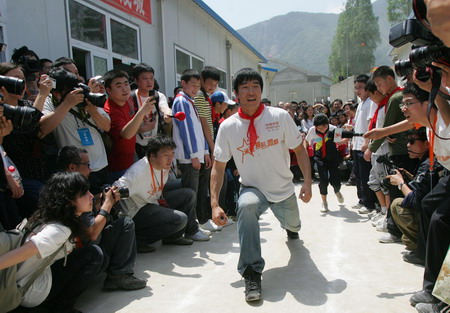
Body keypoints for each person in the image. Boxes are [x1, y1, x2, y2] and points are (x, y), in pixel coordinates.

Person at [210, 68, 312, 302]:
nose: (251, 91)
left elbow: (299, 149)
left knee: (294, 225)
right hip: (253, 188)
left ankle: (291, 228)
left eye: (255, 86)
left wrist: (307, 182)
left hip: (284, 190)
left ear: (261, 90)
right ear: (236, 94)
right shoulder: (228, 126)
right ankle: (251, 273)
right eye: (245, 87)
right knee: (245, 206)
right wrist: (214, 204)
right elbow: (218, 166)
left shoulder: (279, 117)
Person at [364, 76, 450, 310]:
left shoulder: (444, 119)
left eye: (409, 102)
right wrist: (382, 132)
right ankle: (431, 284)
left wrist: (436, 82)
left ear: (429, 102)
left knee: (441, 219)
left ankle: (443, 298)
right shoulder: (428, 123)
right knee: (429, 205)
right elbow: (409, 123)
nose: (403, 107)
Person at [0, 172, 103, 313]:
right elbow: (25, 252)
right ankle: (61, 307)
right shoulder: (59, 230)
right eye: (84, 193)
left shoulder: (47, 215)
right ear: (70, 201)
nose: (91, 195)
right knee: (93, 254)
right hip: (28, 292)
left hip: (18, 279)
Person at [56, 145, 147, 290]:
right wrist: (107, 204)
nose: (90, 170)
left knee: (123, 222)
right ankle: (118, 275)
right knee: (125, 224)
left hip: (78, 250)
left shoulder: (62, 184)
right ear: (73, 167)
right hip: (77, 254)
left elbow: (87, 216)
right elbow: (91, 234)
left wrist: (103, 199)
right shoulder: (71, 190)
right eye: (87, 165)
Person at [114, 136, 209, 252]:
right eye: (165, 155)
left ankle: (174, 237)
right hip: (137, 210)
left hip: (153, 201)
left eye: (172, 154)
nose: (170, 159)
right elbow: (115, 188)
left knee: (189, 194)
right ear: (152, 155)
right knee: (180, 218)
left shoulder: (163, 165)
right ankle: (137, 241)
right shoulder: (138, 172)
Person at [40, 68, 112, 196]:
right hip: (77, 170)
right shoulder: (51, 102)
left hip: (101, 165)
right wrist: (67, 104)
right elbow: (43, 128)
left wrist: (92, 110)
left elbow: (106, 126)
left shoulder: (84, 95)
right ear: (57, 93)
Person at [172, 69, 213, 232]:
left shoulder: (190, 101)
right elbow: (187, 131)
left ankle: (198, 223)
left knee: (199, 192)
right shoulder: (181, 101)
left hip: (197, 156)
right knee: (191, 195)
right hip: (189, 158)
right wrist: (194, 156)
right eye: (192, 86)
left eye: (198, 86)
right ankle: (190, 229)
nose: (195, 89)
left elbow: (198, 131)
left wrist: (205, 152)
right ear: (183, 84)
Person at [102, 69, 156, 180]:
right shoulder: (110, 110)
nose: (125, 89)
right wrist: (142, 112)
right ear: (108, 90)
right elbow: (125, 133)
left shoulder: (128, 100)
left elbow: (130, 127)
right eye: (119, 86)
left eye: (126, 84)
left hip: (132, 158)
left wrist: (142, 128)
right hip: (118, 167)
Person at [129, 63, 172, 158]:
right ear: (136, 80)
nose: (149, 82)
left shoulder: (158, 96)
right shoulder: (130, 98)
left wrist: (167, 114)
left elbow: (164, 107)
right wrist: (142, 129)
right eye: (145, 78)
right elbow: (125, 129)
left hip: (155, 145)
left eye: (151, 78)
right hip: (135, 147)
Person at [304, 114, 345, 212]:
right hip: (319, 157)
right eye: (319, 128)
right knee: (323, 180)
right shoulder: (312, 130)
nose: (322, 130)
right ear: (315, 127)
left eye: (324, 127)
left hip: (333, 156)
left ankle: (337, 190)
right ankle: (324, 202)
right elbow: (306, 141)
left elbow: (340, 141)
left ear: (328, 124)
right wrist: (305, 152)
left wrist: (344, 139)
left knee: (335, 180)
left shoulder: (334, 129)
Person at [351, 74, 377, 213]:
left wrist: (367, 143)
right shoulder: (361, 103)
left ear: (368, 87)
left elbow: (370, 124)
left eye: (360, 87)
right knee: (359, 175)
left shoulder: (370, 103)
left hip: (364, 145)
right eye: (356, 88)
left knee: (366, 176)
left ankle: (369, 204)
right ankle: (361, 200)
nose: (358, 90)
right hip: (356, 144)